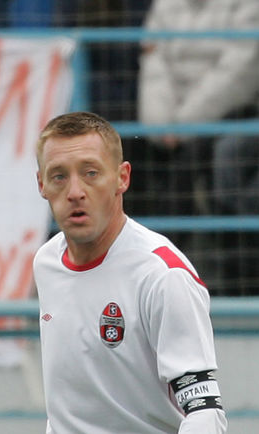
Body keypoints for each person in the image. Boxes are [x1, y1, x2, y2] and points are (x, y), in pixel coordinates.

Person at [33, 112, 227, 433]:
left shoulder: (163, 276)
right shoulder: (47, 262)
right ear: (42, 184)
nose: (75, 191)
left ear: (122, 178)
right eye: (59, 176)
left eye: (91, 173)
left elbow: (205, 412)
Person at [137, 0, 259, 249]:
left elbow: (239, 70)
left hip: (231, 111)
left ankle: (166, 255)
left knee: (193, 162)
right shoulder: (164, 5)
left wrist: (185, 123)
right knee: (120, 150)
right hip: (168, 120)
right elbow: (154, 68)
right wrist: (160, 124)